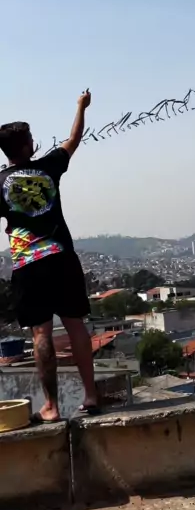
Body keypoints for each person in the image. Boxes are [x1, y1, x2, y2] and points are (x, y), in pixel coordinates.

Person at [0, 91, 99, 422]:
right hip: (61, 256)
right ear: (27, 145)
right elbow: (74, 138)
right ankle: (91, 396)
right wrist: (81, 107)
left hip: (28, 264)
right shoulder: (48, 167)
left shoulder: (0, 182)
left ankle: (51, 407)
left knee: (41, 334)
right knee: (75, 326)